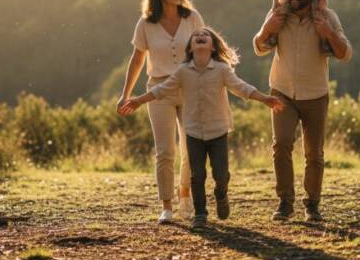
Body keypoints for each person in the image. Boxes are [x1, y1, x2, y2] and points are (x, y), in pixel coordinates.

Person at [121, 27, 283, 228]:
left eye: (205, 36)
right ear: (190, 47)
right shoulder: (182, 71)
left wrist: (265, 98)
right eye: (196, 36)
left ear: (213, 47)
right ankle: (200, 213)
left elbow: (242, 88)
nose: (200, 36)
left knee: (221, 174)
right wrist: (138, 100)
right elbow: (161, 90)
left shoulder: (222, 70)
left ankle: (221, 194)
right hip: (193, 132)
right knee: (197, 175)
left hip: (218, 130)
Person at [253, 0, 352, 222]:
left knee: (314, 152)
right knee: (282, 144)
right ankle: (285, 202)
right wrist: (266, 29)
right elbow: (259, 48)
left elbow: (345, 53)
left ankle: (313, 204)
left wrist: (328, 33)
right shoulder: (278, 14)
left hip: (315, 93)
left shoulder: (327, 17)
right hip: (282, 91)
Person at [116, 0, 204, 223]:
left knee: (191, 148)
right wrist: (126, 95)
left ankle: (185, 193)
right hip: (158, 91)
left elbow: (205, 48)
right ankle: (166, 205)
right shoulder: (146, 23)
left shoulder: (193, 18)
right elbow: (136, 61)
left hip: (190, 88)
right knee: (165, 151)